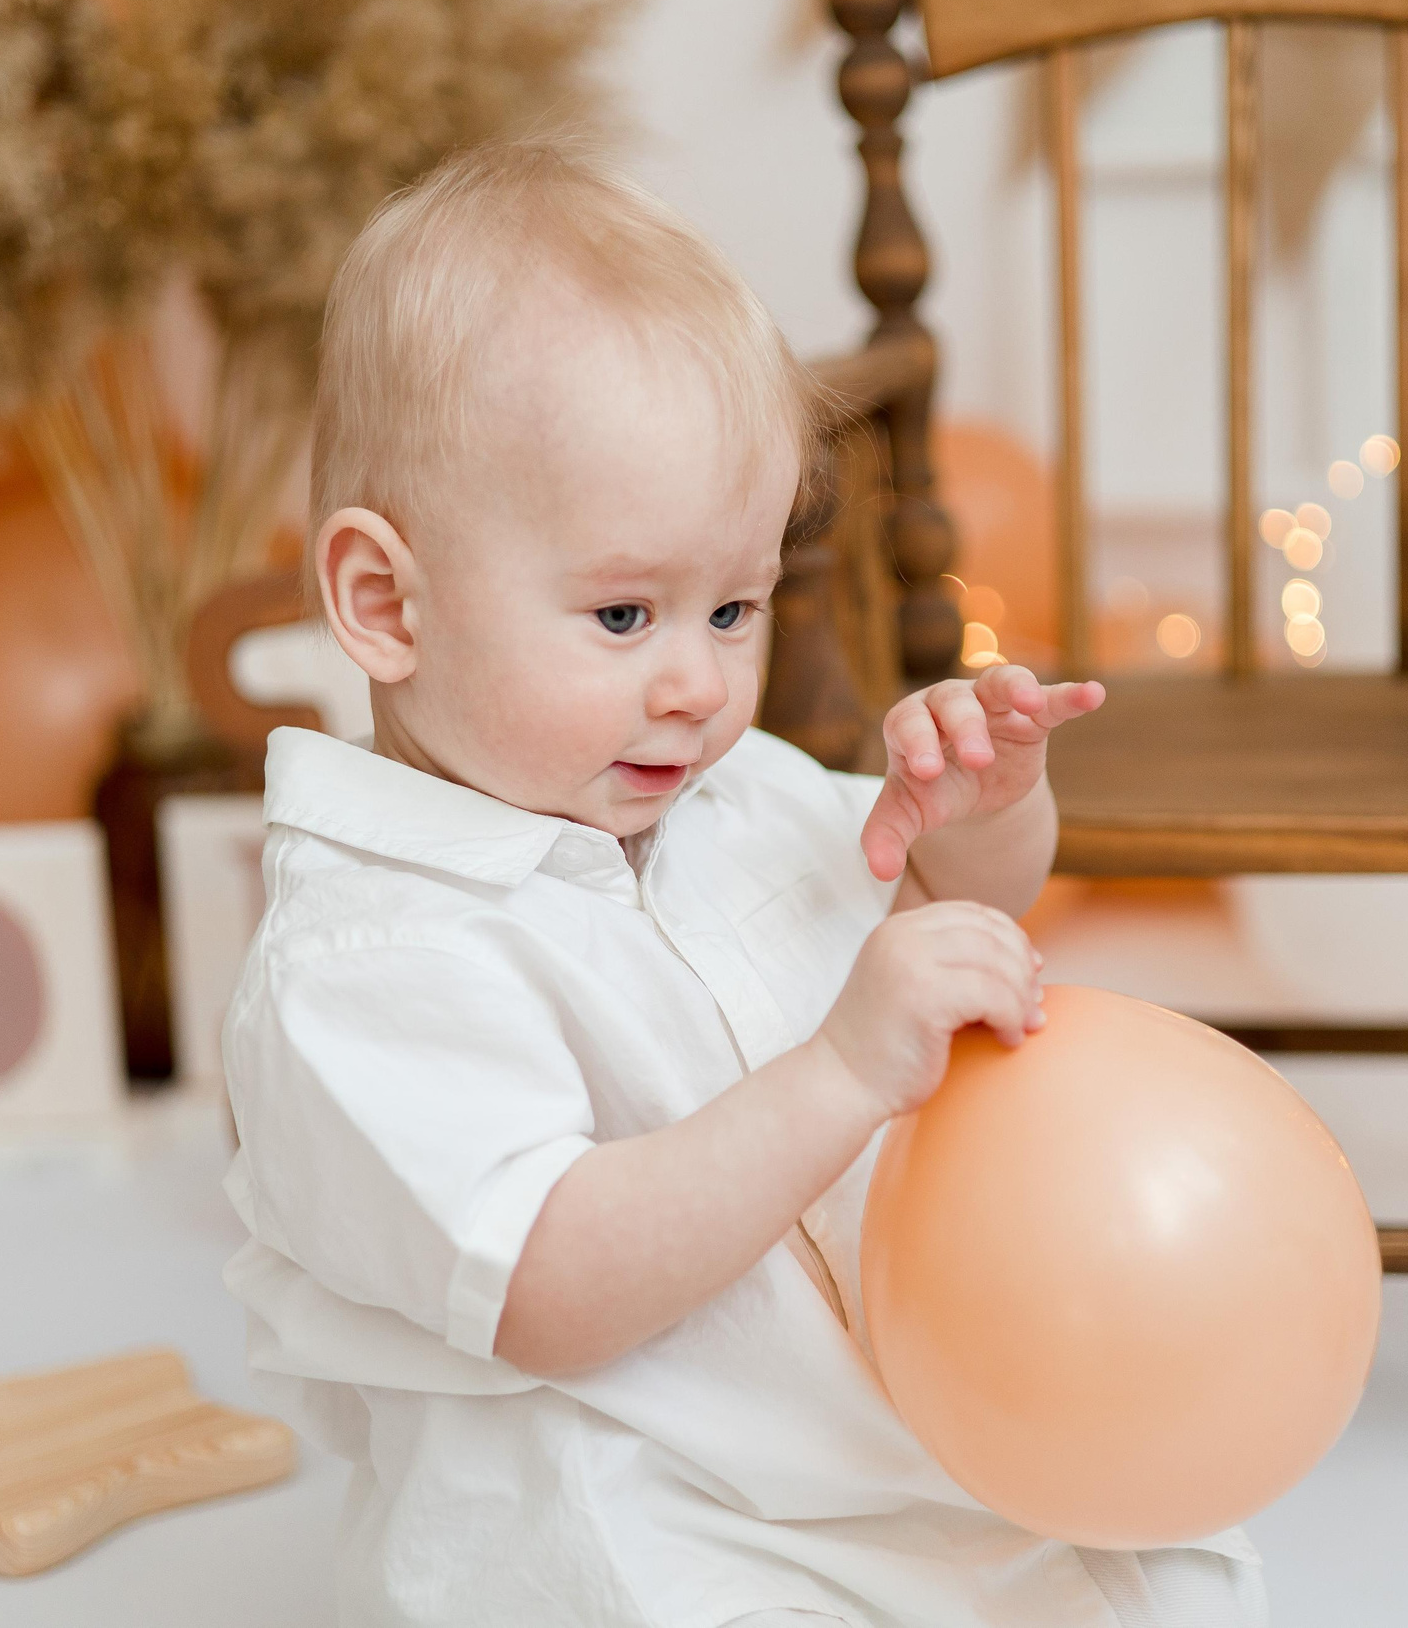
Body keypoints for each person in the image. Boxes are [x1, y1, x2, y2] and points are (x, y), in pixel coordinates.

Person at [220, 139, 1266, 1628]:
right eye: (623, 614)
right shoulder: (372, 962)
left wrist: (980, 819)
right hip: (632, 1520)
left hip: (863, 1436)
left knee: (1168, 1564)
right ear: (387, 603)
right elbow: (551, 1288)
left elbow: (951, 909)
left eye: (734, 606)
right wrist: (842, 1070)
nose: (699, 683)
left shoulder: (730, 788)